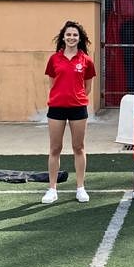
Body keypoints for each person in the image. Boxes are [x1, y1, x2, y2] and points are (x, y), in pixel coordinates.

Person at [42, 20, 96, 204]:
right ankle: (52, 189)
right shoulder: (54, 59)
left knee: (78, 147)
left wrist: (75, 98)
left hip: (78, 108)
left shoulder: (86, 60)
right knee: (55, 148)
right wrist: (61, 97)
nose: (71, 37)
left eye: (75, 35)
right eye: (68, 34)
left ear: (79, 38)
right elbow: (53, 83)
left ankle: (80, 188)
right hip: (56, 108)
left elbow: (87, 87)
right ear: (63, 37)